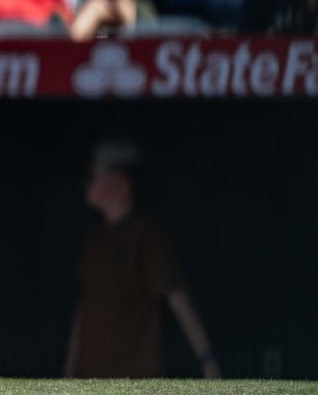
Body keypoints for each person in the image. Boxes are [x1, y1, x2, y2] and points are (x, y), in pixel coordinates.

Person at [65, 142, 221, 379]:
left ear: (119, 181)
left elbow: (178, 300)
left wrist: (207, 361)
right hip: (89, 378)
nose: (88, 184)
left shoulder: (147, 237)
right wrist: (68, 373)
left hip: (135, 379)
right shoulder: (93, 240)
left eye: (93, 175)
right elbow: (83, 309)